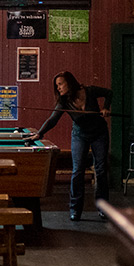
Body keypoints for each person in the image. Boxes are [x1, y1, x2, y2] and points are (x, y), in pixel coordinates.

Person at [27, 71, 112, 221]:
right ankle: (75, 209)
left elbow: (108, 93)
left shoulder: (90, 91)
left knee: (101, 170)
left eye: (60, 84)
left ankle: (103, 208)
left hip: (99, 133)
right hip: (80, 135)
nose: (58, 88)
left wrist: (105, 108)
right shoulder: (64, 101)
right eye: (57, 86)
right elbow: (53, 119)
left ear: (69, 82)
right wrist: (40, 134)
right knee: (78, 171)